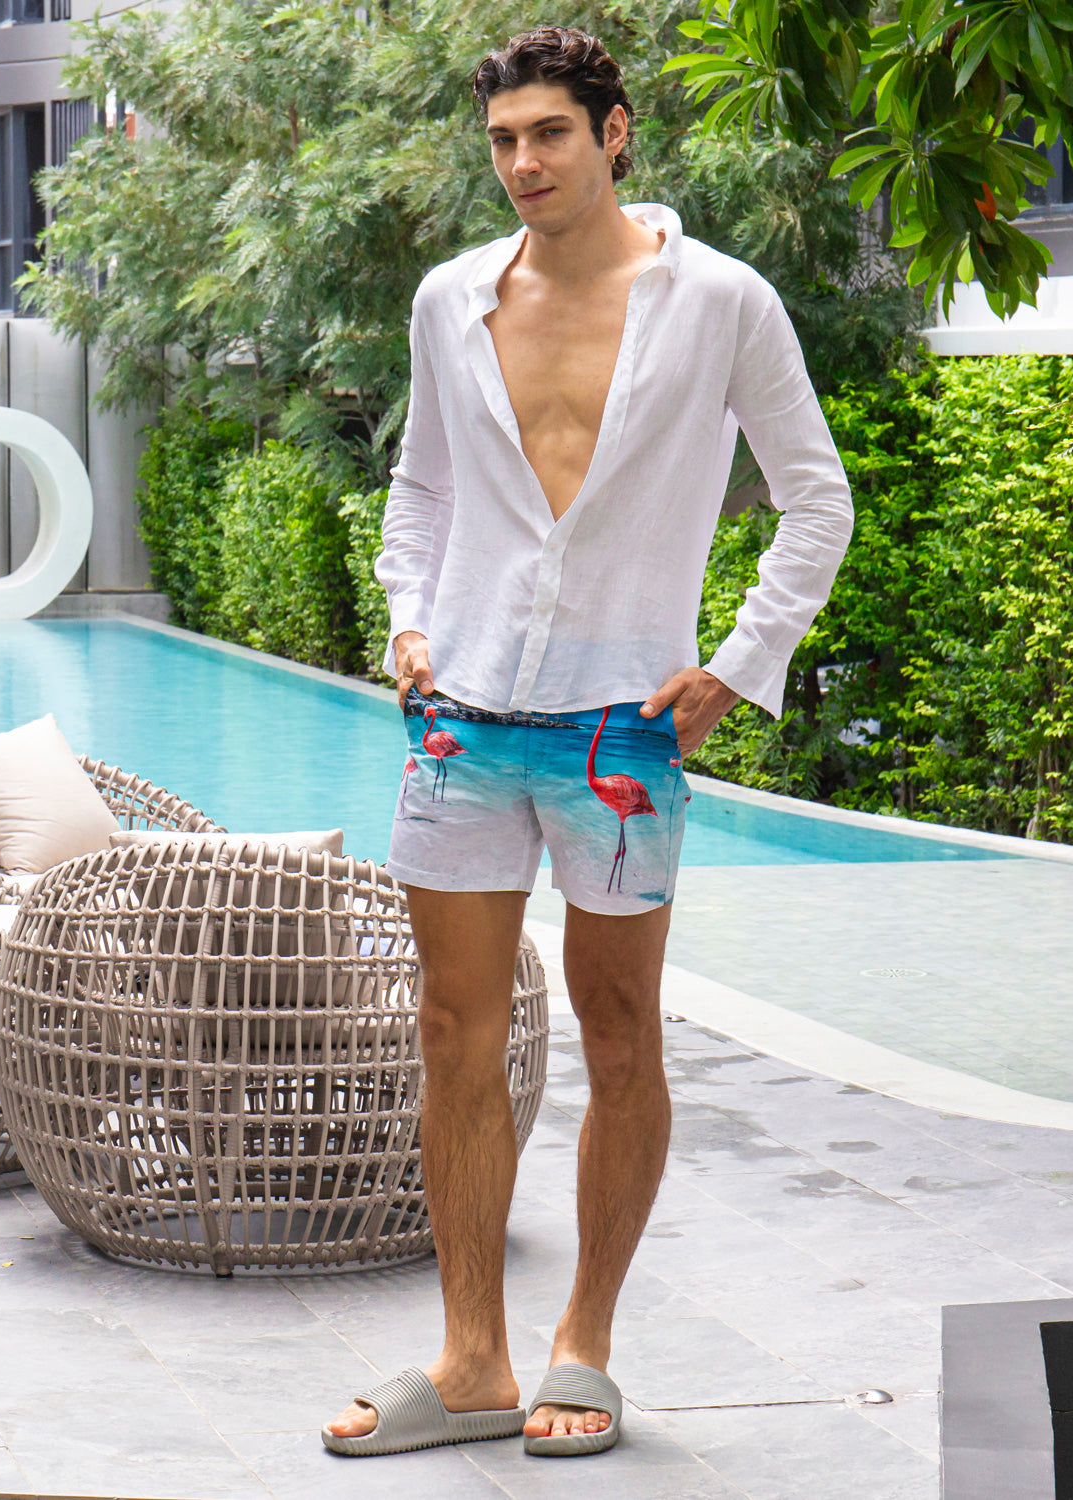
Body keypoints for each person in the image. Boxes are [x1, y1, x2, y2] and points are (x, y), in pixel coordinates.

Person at [322, 23, 853, 1461]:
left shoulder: (723, 302)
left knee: (619, 1032)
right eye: (503, 140)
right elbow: (420, 488)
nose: (523, 163)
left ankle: (587, 1347)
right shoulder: (451, 299)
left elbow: (818, 499)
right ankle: (473, 1357)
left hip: (624, 723)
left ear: (615, 135)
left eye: (550, 133)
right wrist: (409, 622)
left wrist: (740, 669)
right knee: (452, 1031)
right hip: (463, 722)